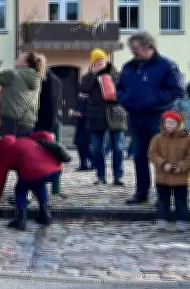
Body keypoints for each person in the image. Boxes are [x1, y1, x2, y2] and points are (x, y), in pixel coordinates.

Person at [116, 31, 184, 204]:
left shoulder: (167, 66)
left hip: (158, 117)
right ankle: (141, 192)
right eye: (132, 48)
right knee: (139, 156)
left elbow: (177, 90)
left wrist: (154, 99)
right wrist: (125, 100)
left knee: (162, 156)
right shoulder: (128, 67)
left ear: (149, 47)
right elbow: (120, 88)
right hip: (135, 117)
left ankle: (164, 196)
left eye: (136, 48)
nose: (133, 52)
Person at [0, 131, 67, 230]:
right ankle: (45, 214)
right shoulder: (25, 139)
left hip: (35, 172)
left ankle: (21, 219)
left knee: (20, 189)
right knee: (38, 184)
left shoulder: (5, 154)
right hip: (56, 169)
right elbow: (46, 134)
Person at [80, 49, 127, 186]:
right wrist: (93, 74)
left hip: (116, 114)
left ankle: (118, 176)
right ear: (93, 62)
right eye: (97, 60)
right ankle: (101, 176)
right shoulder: (89, 77)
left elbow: (124, 90)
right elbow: (83, 89)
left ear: (107, 60)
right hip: (96, 116)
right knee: (96, 149)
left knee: (118, 148)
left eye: (102, 59)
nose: (101, 62)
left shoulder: (116, 74)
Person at [0, 49, 44, 137]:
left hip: (12, 121)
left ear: (25, 64)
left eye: (19, 58)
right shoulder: (36, 77)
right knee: (22, 149)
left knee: (10, 149)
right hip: (28, 122)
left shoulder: (13, 74)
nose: (16, 59)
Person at [147, 110, 190, 231]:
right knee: (162, 200)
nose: (169, 125)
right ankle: (162, 220)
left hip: (180, 178)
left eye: (172, 123)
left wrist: (181, 166)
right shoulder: (157, 138)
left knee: (181, 201)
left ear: (179, 124)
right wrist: (163, 164)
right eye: (167, 123)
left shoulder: (187, 139)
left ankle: (182, 221)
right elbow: (152, 153)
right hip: (162, 177)